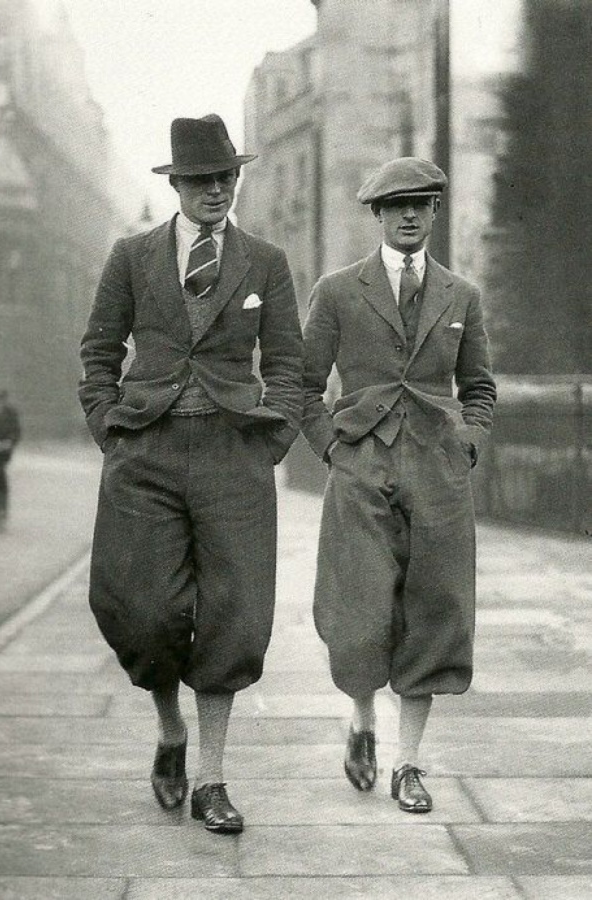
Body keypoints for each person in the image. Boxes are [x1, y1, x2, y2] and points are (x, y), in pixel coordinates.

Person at [79, 114, 303, 834]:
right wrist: (111, 433)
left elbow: (291, 367)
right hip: (146, 452)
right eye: (202, 179)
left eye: (226, 178)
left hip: (234, 456)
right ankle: (169, 728)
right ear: (176, 184)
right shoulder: (132, 256)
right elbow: (99, 353)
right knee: (143, 613)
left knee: (234, 618)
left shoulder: (265, 262)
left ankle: (212, 776)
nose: (216, 191)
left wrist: (271, 443)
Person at [301, 157, 496, 813]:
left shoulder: (460, 296)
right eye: (396, 205)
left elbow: (480, 388)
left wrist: (466, 440)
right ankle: (361, 721)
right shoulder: (336, 292)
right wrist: (331, 447)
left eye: (422, 203)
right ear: (377, 215)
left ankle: (409, 764)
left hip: (438, 474)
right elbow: (303, 385)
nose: (410, 214)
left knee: (435, 612)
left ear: (435, 212)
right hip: (361, 467)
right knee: (357, 609)